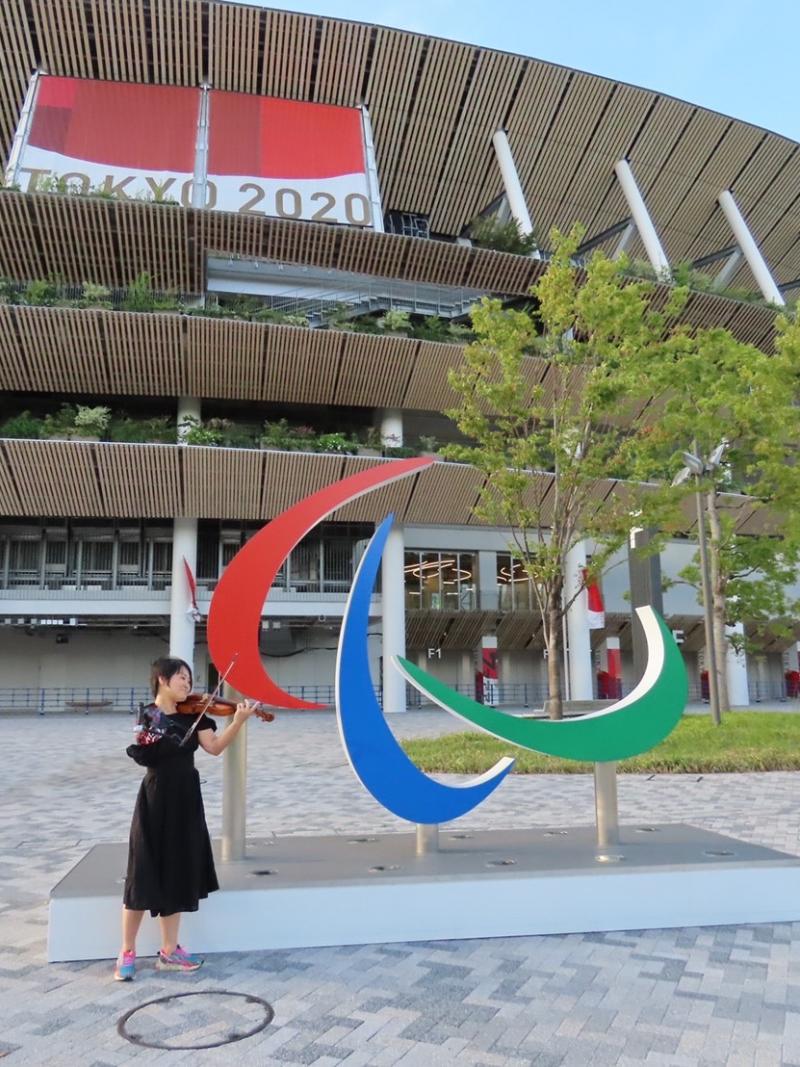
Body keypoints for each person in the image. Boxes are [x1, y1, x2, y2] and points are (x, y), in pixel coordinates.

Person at [114, 656, 258, 981]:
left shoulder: (198, 714)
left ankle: (169, 950)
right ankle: (126, 951)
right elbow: (144, 751)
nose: (188, 685)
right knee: (142, 870)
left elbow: (216, 747)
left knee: (177, 869)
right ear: (162, 680)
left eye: (189, 680)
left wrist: (238, 720)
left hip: (185, 798)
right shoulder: (148, 715)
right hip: (155, 796)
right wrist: (157, 739)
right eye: (181, 678)